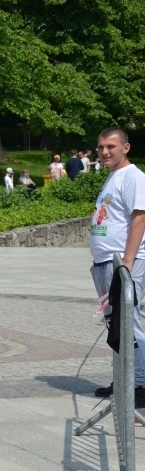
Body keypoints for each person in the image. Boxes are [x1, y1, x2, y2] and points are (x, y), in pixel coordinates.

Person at [89, 127, 145, 408]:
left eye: (110, 146)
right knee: (115, 325)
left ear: (126, 148)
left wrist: (127, 262)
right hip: (105, 263)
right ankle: (124, 379)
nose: (104, 152)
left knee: (130, 323)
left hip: (123, 263)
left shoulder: (134, 177)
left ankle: (141, 383)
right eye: (100, 147)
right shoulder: (113, 177)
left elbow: (139, 219)